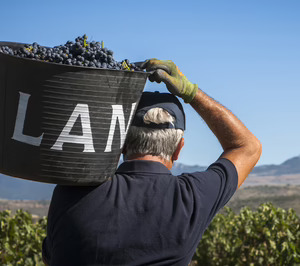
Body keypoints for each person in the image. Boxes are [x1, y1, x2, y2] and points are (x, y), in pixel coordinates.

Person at [42, 59, 262, 266]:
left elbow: (52, 256)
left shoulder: (72, 190)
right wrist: (190, 91)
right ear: (178, 149)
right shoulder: (193, 197)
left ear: (122, 144)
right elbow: (247, 148)